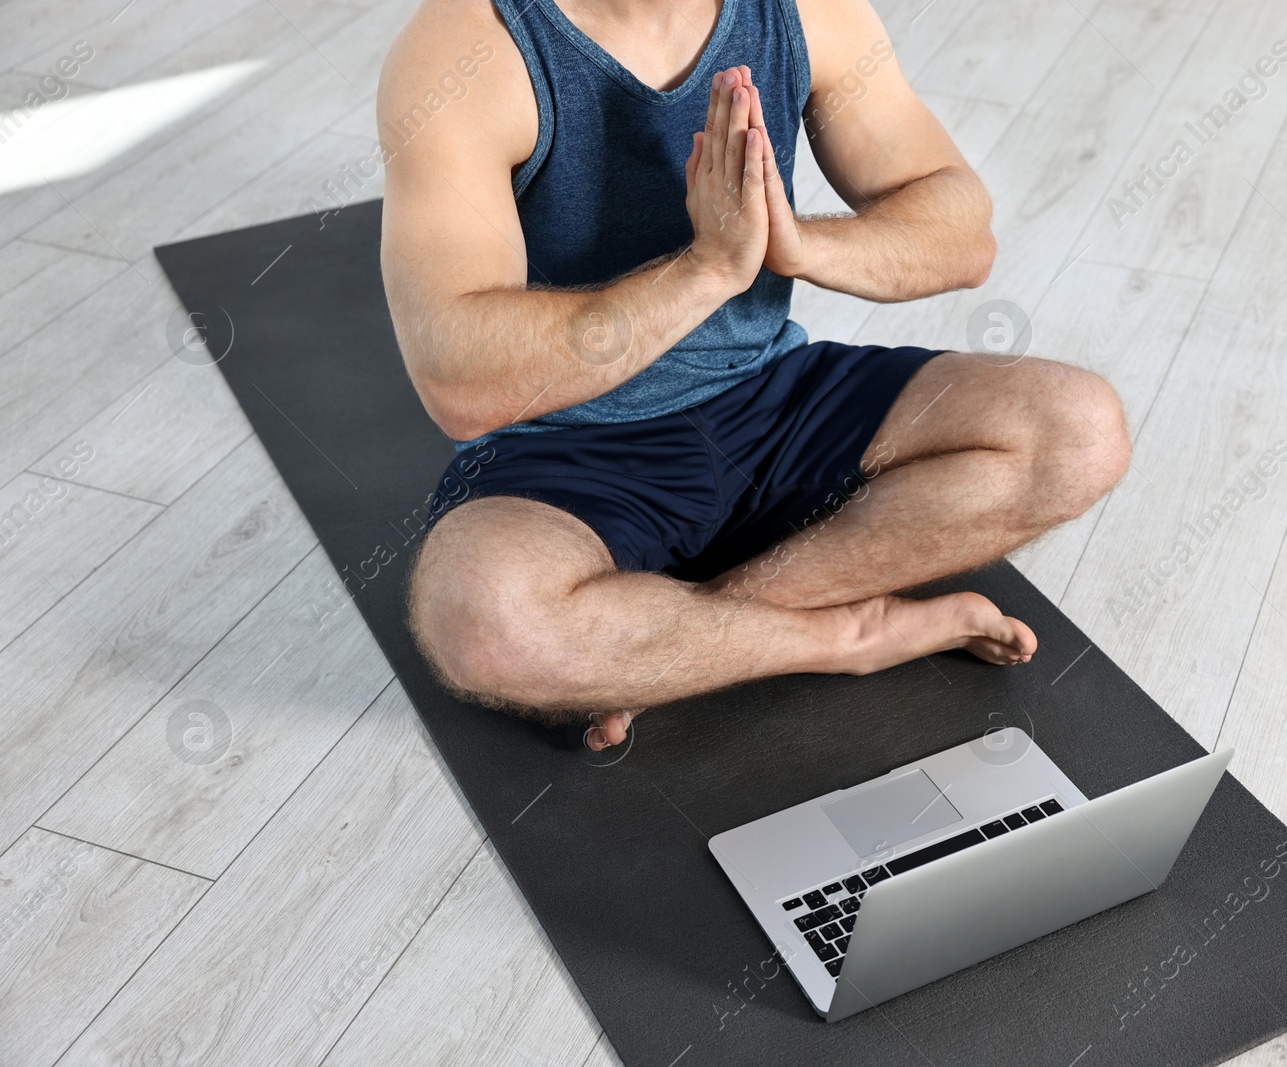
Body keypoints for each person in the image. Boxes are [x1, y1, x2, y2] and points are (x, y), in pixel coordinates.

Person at [377, 0, 1130, 751]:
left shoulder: (804, 12)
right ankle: (843, 635)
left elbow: (962, 231)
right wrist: (703, 272)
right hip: (562, 447)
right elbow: (458, 379)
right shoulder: (468, 47)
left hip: (773, 400)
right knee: (482, 618)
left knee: (1079, 431)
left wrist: (798, 246)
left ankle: (679, 641)